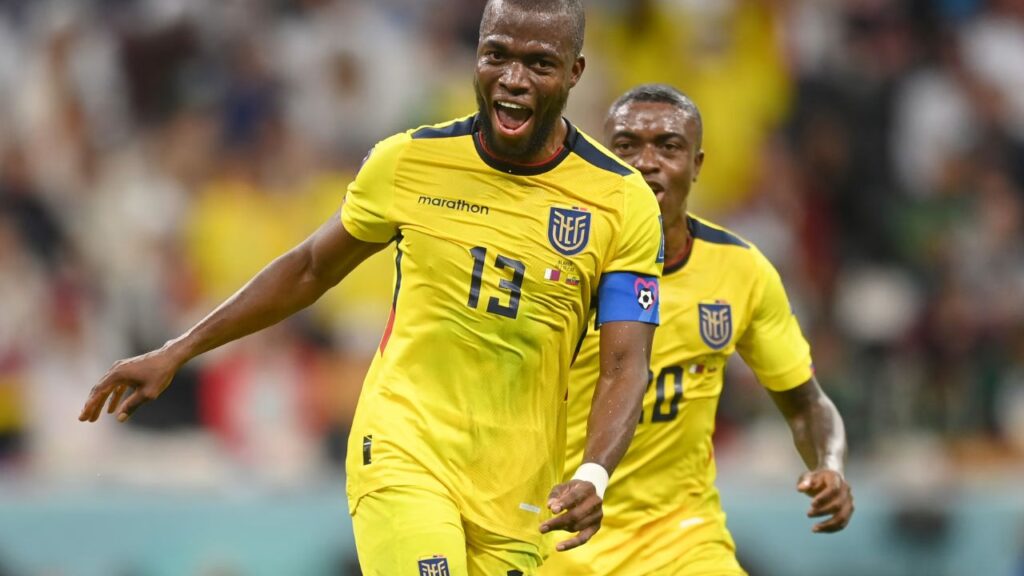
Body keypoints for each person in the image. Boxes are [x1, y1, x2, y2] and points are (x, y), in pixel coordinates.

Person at [78, 2, 665, 574]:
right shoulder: (408, 163)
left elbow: (622, 363)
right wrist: (179, 348)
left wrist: (593, 473)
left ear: (574, 72)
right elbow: (310, 268)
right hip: (404, 453)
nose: (512, 79)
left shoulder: (621, 201)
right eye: (496, 55)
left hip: (518, 491)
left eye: (538, 63)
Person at [539, 84, 854, 575]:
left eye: (668, 146)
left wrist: (829, 465)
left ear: (697, 163)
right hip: (559, 531)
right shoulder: (559, 267)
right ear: (600, 161)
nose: (647, 162)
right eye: (625, 147)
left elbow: (807, 404)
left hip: (681, 538)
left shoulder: (741, 271)